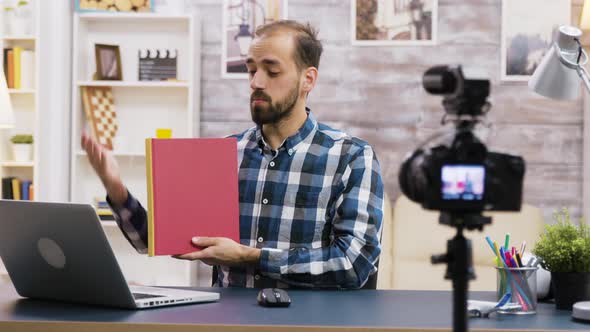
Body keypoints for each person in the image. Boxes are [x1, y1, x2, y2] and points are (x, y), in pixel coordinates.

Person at [81, 20, 384, 289]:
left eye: (271, 70)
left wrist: (249, 257)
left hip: (308, 324)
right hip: (229, 323)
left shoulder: (352, 157)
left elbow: (353, 264)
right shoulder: (224, 155)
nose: (256, 82)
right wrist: (115, 188)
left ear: (308, 79)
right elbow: (155, 240)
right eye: (252, 70)